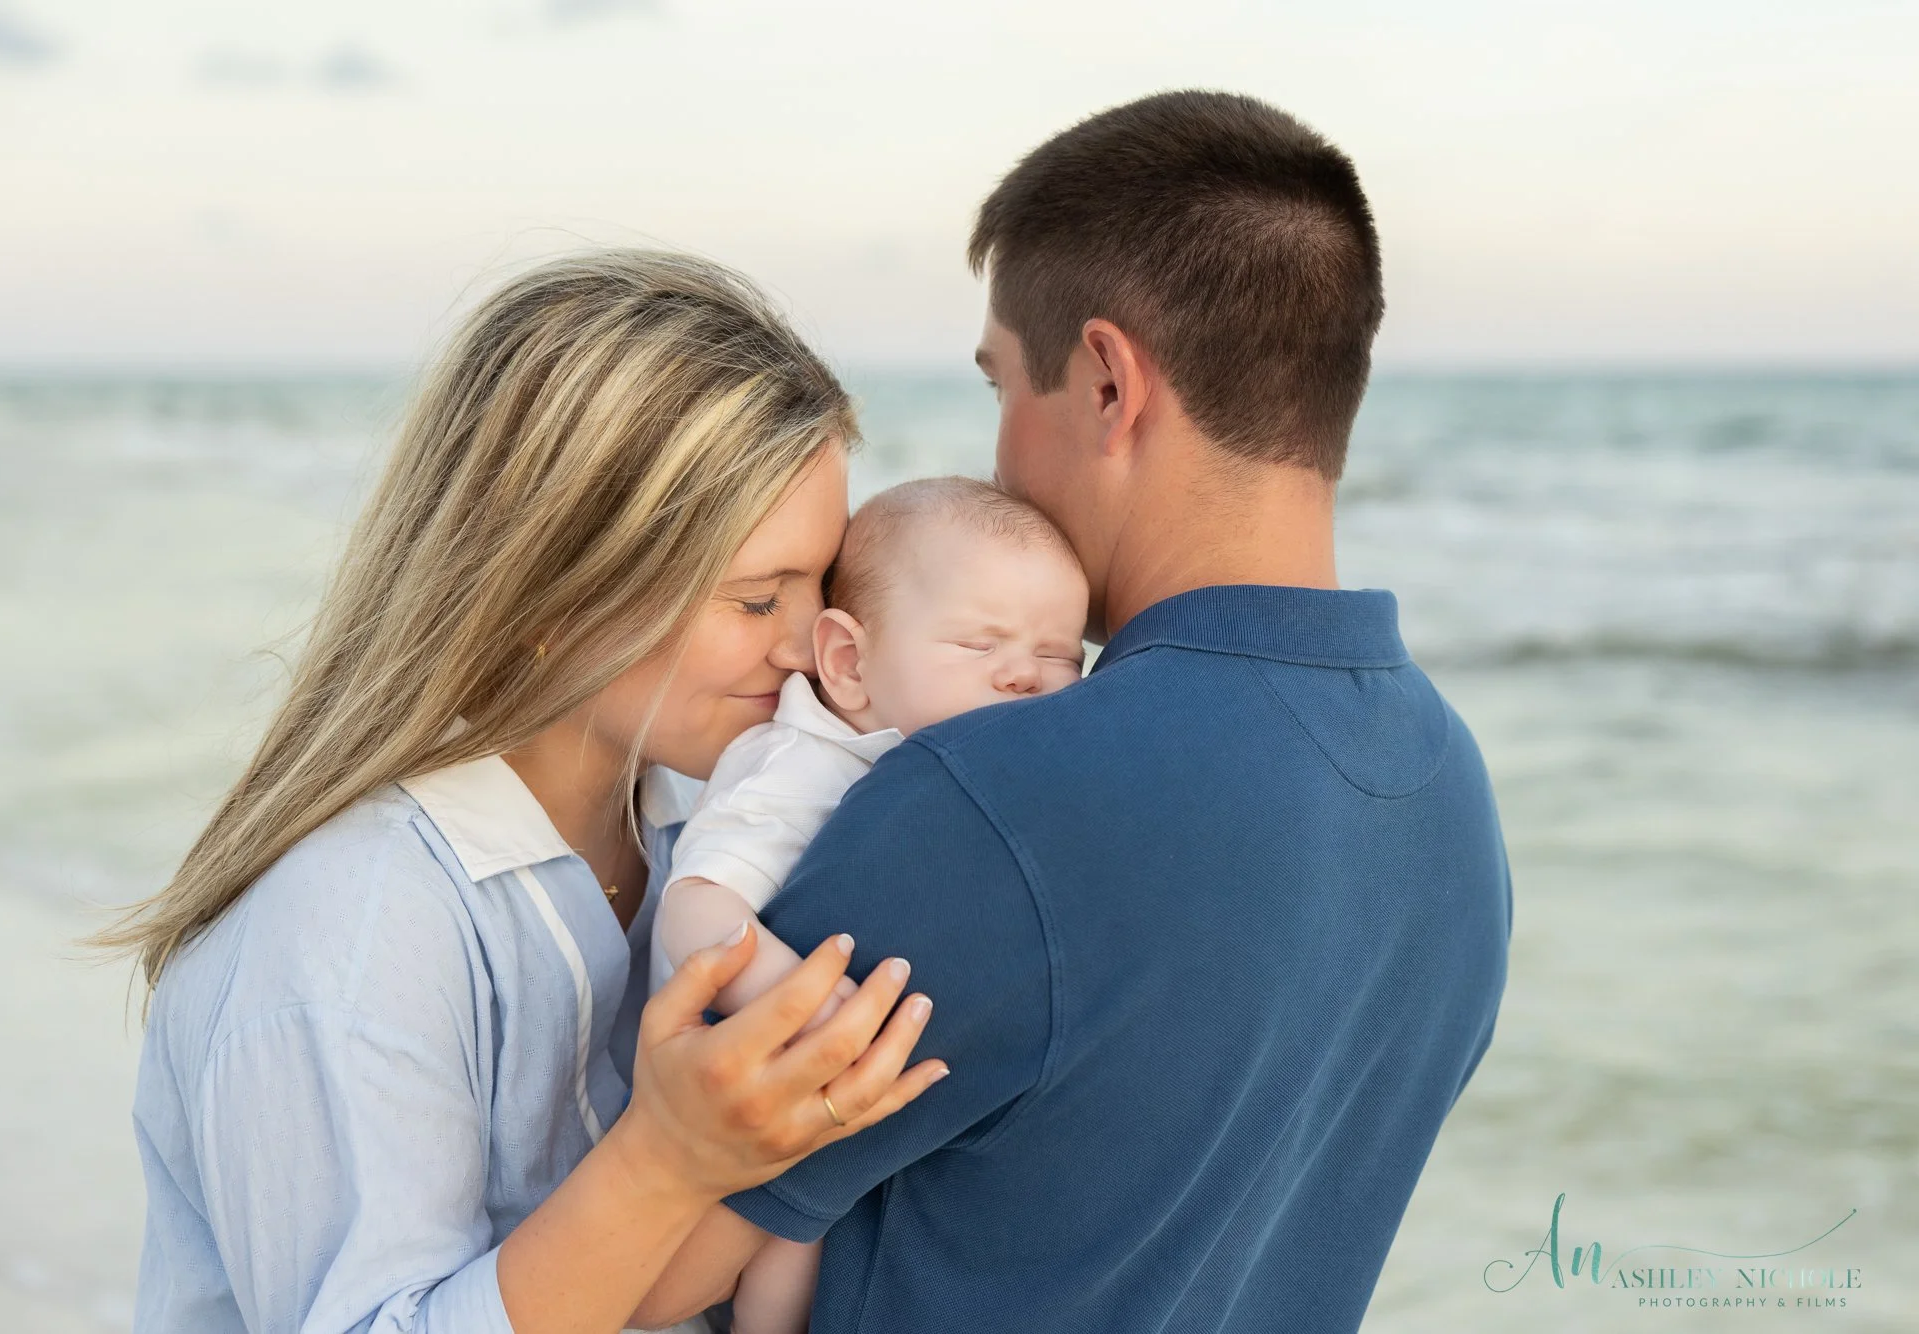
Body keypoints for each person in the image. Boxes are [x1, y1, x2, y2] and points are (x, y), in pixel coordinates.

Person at [632, 90, 1514, 1334]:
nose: (995, 462)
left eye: (1001, 384)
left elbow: (637, 1280)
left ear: (1107, 381)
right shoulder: (1448, 793)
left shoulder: (989, 790)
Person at [98, 250, 947, 1334]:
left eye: (821, 585)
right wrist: (667, 1157)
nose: (808, 646)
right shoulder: (344, 929)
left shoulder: (699, 839)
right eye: (752, 598)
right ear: (552, 586)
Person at [647, 477, 1089, 1332]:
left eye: (1062, 654)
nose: (1025, 678)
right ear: (848, 663)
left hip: (812, 1102)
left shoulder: (925, 763)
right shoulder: (799, 766)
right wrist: (828, 1017)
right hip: (726, 1076)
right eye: (979, 644)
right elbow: (695, 909)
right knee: (790, 1235)